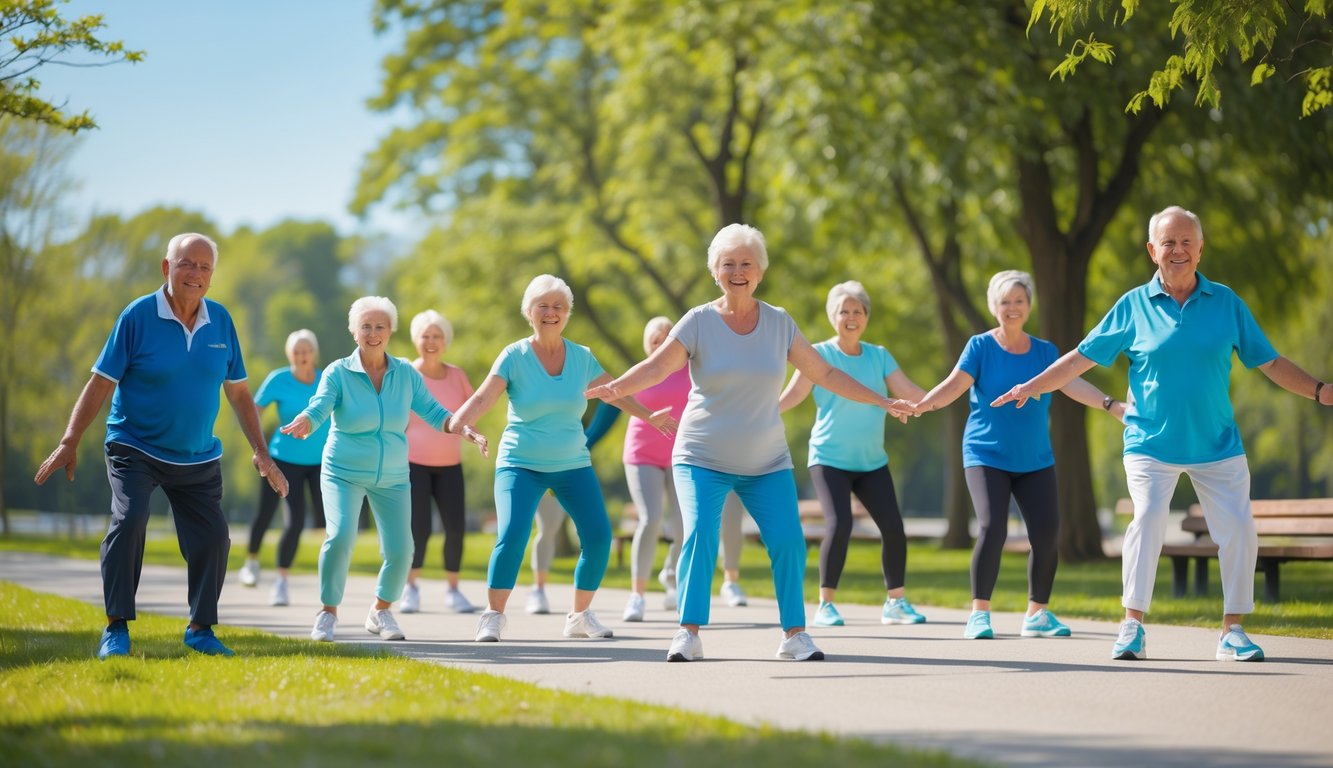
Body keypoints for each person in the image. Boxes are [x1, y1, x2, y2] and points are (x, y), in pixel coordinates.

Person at [993, 206, 1332, 662]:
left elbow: (1268, 361)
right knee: (1148, 517)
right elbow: (1081, 358)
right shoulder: (1133, 305)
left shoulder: (1226, 302)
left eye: (1187, 241)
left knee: (1239, 529)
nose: (1178, 250)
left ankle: (1233, 631)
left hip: (1217, 445)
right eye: (1168, 243)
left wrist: (1319, 390)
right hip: (1150, 443)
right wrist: (1033, 386)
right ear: (1152, 251)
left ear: (1200, 248)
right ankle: (1132, 625)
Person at [587, 223, 913, 663]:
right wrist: (617, 387)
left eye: (746, 263)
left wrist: (882, 401)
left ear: (759, 271)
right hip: (701, 455)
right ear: (714, 271)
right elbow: (657, 366)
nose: (737, 271)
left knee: (788, 541)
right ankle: (688, 632)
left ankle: (795, 635)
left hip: (767, 461)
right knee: (700, 535)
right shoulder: (699, 321)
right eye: (728, 264)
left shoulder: (779, 323)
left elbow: (826, 374)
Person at [34, 232, 289, 659]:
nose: (196, 273)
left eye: (205, 267)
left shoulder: (221, 321)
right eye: (187, 263)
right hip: (135, 444)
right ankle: (116, 626)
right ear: (166, 267)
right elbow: (101, 381)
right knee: (130, 519)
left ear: (212, 276)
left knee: (214, 537)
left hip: (197, 454)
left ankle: (200, 629)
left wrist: (262, 451)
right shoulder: (137, 316)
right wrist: (69, 440)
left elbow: (240, 393)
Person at [449, 275, 676, 643]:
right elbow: (483, 397)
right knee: (512, 534)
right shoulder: (514, 356)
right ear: (529, 312)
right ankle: (492, 616)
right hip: (520, 462)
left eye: (559, 306)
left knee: (599, 537)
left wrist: (647, 415)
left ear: (567, 314)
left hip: (572, 463)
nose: (551, 313)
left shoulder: (582, 357)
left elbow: (614, 392)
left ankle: (580, 615)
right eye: (543, 305)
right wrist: (461, 423)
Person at [913, 269, 1124, 641]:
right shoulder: (980, 347)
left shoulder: (1045, 352)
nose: (1012, 307)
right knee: (992, 526)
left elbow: (1071, 382)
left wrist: (1109, 404)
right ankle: (979, 613)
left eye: (1019, 301)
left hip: (1034, 459)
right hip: (985, 454)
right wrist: (922, 405)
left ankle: (1037, 614)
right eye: (1005, 301)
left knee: (1046, 535)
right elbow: (954, 386)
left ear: (1029, 306)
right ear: (994, 306)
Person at [280, 296, 486, 643]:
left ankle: (381, 609)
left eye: (380, 326)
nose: (373, 333)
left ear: (391, 331)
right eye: (366, 327)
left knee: (402, 548)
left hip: (391, 475)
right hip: (343, 469)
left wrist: (462, 427)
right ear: (353, 331)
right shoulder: (339, 372)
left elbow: (436, 413)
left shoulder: (406, 373)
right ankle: (327, 612)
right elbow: (320, 406)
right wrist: (306, 420)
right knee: (341, 535)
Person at [779, 280, 928, 627]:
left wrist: (941, 398)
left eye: (856, 310)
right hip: (829, 458)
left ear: (866, 317)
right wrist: (765, 412)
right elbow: (794, 394)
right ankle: (825, 605)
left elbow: (908, 391)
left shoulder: (879, 356)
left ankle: (896, 602)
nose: (850, 316)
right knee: (840, 523)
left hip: (871, 461)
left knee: (893, 528)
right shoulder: (818, 354)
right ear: (833, 316)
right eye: (843, 310)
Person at [239, 329, 330, 607]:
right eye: (297, 352)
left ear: (314, 353)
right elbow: (253, 410)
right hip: (283, 460)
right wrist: (259, 448)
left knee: (321, 521)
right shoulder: (278, 379)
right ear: (290, 355)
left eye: (307, 351)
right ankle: (255, 564)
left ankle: (283, 578)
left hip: (320, 462)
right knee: (272, 515)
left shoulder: (327, 379)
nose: (302, 357)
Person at [401, 310, 477, 615]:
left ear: (445, 341)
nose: (431, 342)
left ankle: (454, 591)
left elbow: (472, 408)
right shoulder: (407, 373)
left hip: (450, 465)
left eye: (437, 336)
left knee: (455, 528)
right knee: (418, 529)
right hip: (413, 464)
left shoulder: (457, 375)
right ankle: (410, 588)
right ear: (416, 340)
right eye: (425, 336)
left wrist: (475, 435)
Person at [619, 316, 690, 621]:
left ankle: (671, 578)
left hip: (681, 454)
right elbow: (615, 394)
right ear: (647, 344)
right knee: (650, 519)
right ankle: (637, 595)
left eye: (666, 338)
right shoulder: (641, 372)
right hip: (642, 453)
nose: (661, 345)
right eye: (654, 340)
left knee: (684, 524)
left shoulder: (693, 370)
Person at [525, 400, 619, 615]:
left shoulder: (580, 374)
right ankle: (538, 589)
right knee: (546, 528)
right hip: (533, 462)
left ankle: (579, 610)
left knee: (571, 530)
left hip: (570, 464)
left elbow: (612, 405)